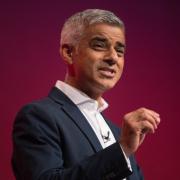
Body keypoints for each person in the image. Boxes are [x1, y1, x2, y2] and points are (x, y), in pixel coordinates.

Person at [12, 9, 161, 180]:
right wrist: (122, 149)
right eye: (99, 45)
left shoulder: (116, 132)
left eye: (120, 51)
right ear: (68, 53)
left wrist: (123, 147)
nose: (113, 57)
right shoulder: (39, 117)